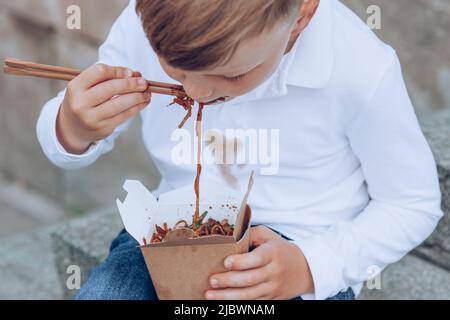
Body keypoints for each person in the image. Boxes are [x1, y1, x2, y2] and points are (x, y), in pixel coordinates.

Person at [37, 0, 443, 300]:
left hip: (298, 248)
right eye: (172, 67)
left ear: (301, 15)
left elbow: (412, 204)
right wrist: (72, 126)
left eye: (230, 74)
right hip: (170, 232)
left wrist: (311, 266)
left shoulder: (359, 67)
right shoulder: (143, 26)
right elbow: (70, 137)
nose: (195, 93)